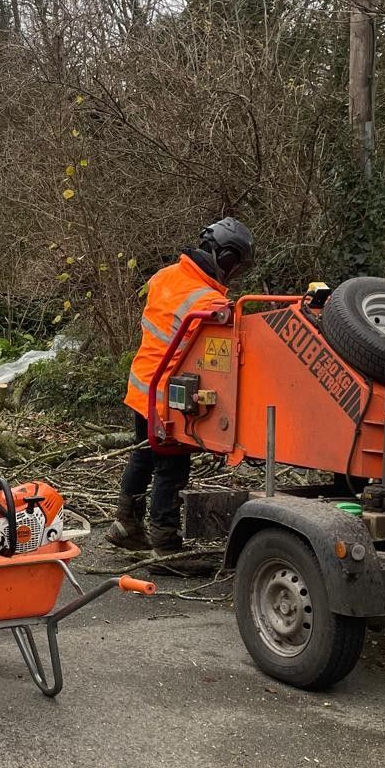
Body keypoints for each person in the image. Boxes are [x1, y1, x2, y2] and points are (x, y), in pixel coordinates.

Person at [108, 217, 254, 556]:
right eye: (235, 267)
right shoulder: (207, 301)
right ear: (226, 259)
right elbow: (239, 338)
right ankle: (165, 545)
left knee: (143, 455)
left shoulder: (166, 276)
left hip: (143, 384)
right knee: (172, 468)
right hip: (166, 397)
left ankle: (126, 523)